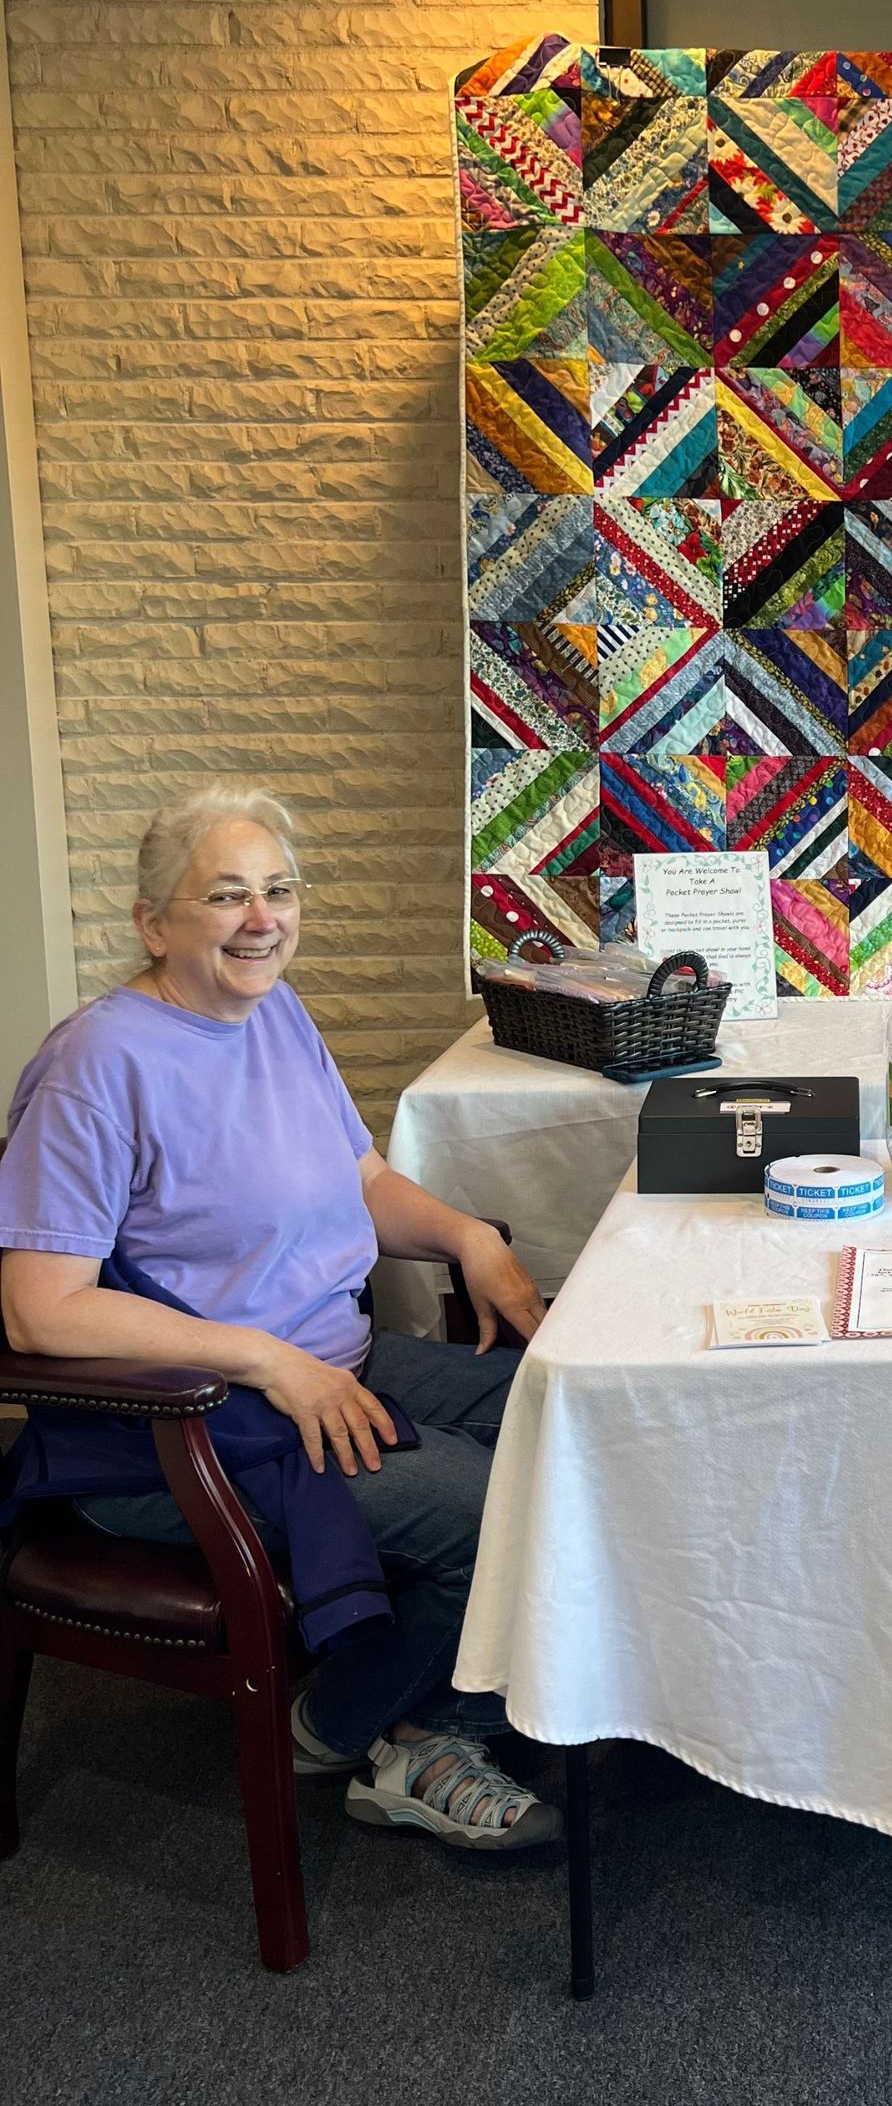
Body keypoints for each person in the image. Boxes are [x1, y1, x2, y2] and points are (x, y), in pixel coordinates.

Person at [0, 784, 559, 1851]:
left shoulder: (274, 1014)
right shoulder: (96, 1067)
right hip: (183, 1428)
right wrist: (265, 1360)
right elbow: (39, 1310)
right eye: (225, 895)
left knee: (569, 1421)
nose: (262, 918)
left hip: (332, 1360)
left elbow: (359, 1180)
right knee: (498, 1507)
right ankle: (368, 1731)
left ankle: (435, 1690)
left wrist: (465, 1237)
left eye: (278, 889)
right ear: (153, 922)